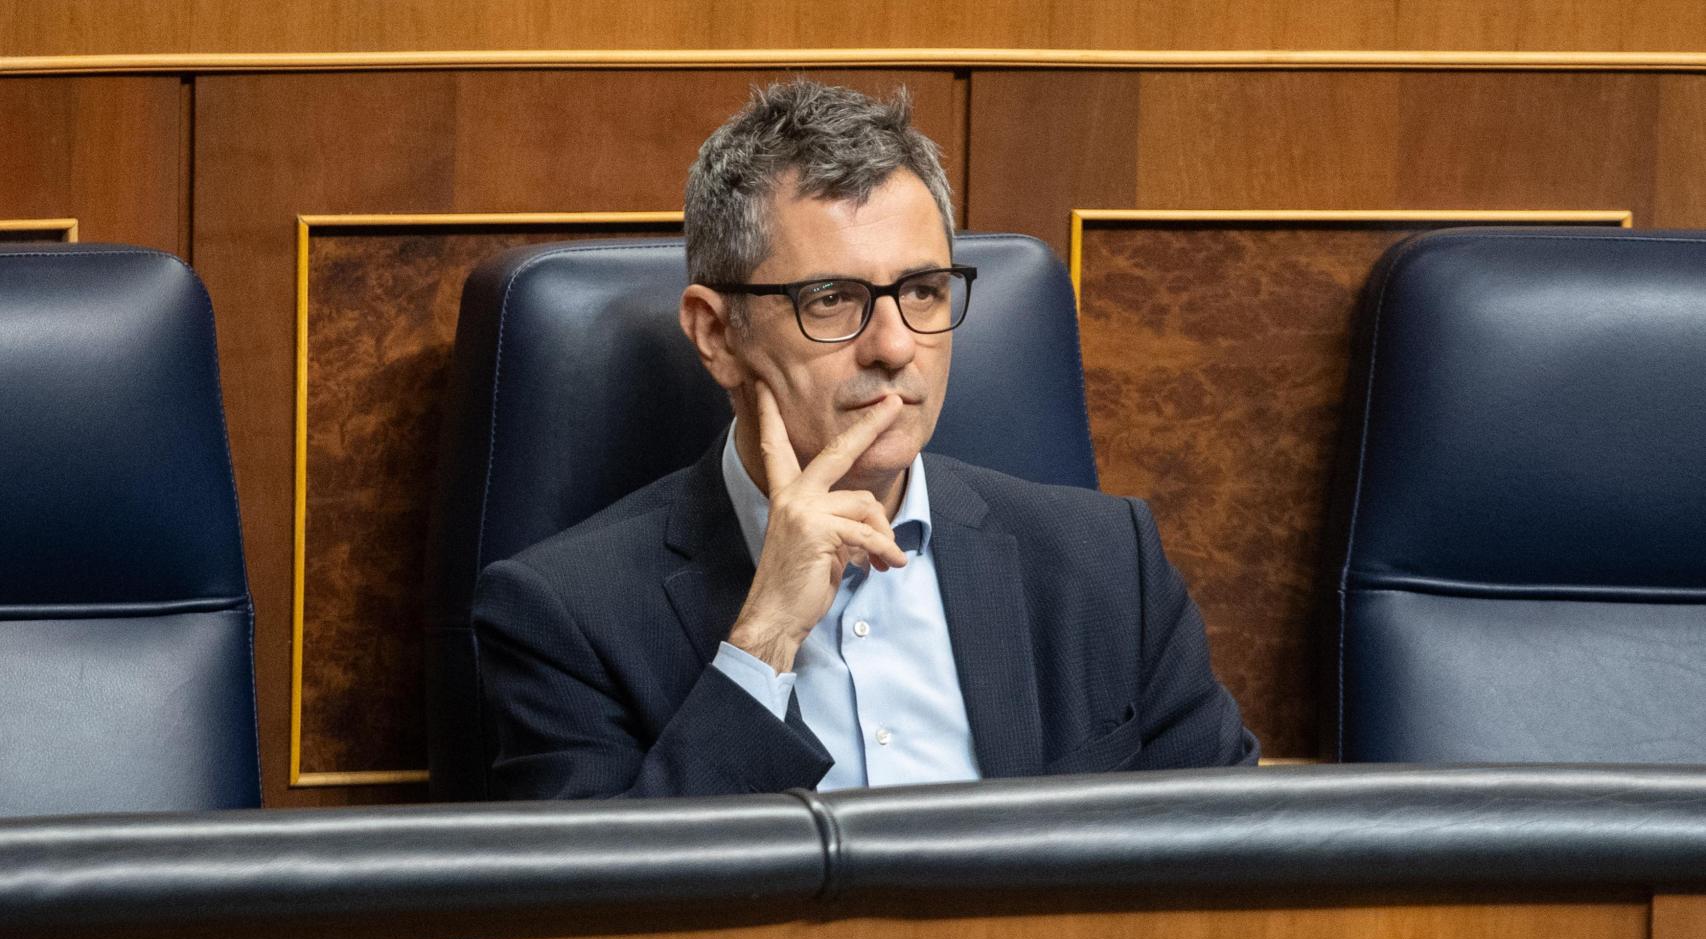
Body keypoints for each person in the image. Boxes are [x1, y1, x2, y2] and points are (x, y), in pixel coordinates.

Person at [473, 79, 1257, 800]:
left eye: (921, 291)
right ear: (716, 334)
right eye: (832, 300)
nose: (894, 345)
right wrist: (765, 638)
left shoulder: (1109, 565)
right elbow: (606, 919)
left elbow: (1237, 861)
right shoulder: (562, 616)